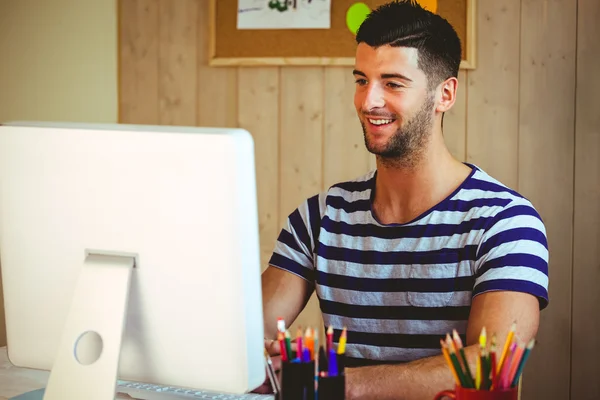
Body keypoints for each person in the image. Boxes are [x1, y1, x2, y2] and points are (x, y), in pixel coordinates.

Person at [258, 1, 549, 399]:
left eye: (392, 83)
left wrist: (336, 387)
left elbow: (491, 366)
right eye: (361, 80)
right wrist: (266, 363)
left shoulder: (505, 222)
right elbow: (245, 335)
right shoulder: (320, 217)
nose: (368, 101)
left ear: (444, 94)